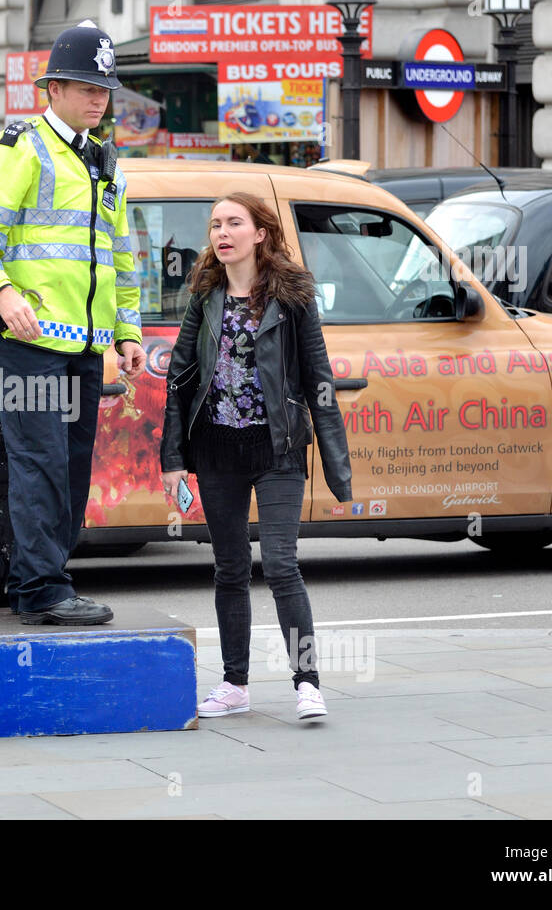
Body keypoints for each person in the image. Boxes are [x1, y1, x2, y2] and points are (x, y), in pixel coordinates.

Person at [0, 19, 146, 625]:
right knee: (39, 462)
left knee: (71, 465)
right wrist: (3, 290)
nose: (100, 98)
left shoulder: (106, 162)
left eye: (105, 88)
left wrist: (129, 331)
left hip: (87, 346)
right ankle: (44, 588)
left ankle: (35, 580)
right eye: (88, 87)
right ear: (54, 88)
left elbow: (120, 256)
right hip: (31, 343)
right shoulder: (20, 145)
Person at [160, 193, 353, 720]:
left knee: (283, 566)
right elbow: (180, 378)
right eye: (216, 225)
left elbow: (319, 377)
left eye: (234, 223)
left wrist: (335, 459)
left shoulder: (292, 296)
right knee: (229, 569)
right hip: (217, 448)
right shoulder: (204, 294)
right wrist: (172, 459)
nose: (222, 233)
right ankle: (234, 685)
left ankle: (308, 684)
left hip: (278, 447)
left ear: (259, 232)